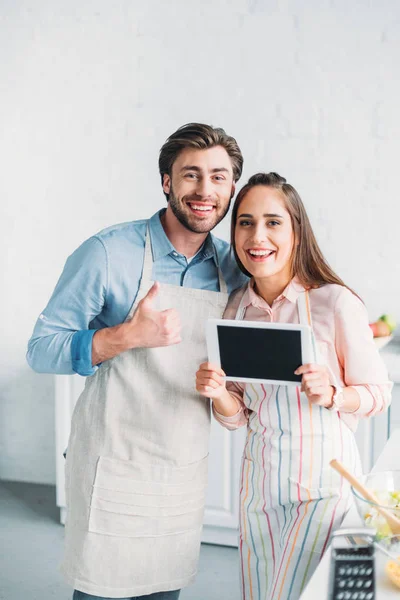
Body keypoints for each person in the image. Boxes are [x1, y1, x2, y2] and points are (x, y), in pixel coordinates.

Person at [27, 123, 248, 600]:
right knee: (100, 590)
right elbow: (41, 349)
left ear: (232, 188)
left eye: (218, 177)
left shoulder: (235, 269)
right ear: (166, 181)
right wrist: (125, 336)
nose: (204, 191)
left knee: (163, 591)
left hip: (180, 469)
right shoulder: (108, 253)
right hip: (114, 462)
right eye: (190, 175)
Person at [196, 172, 392, 600]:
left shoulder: (334, 303)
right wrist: (218, 395)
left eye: (273, 222)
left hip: (322, 491)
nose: (257, 235)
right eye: (245, 222)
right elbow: (238, 416)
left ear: (296, 232)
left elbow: (379, 394)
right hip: (259, 492)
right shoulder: (237, 309)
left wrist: (334, 394)